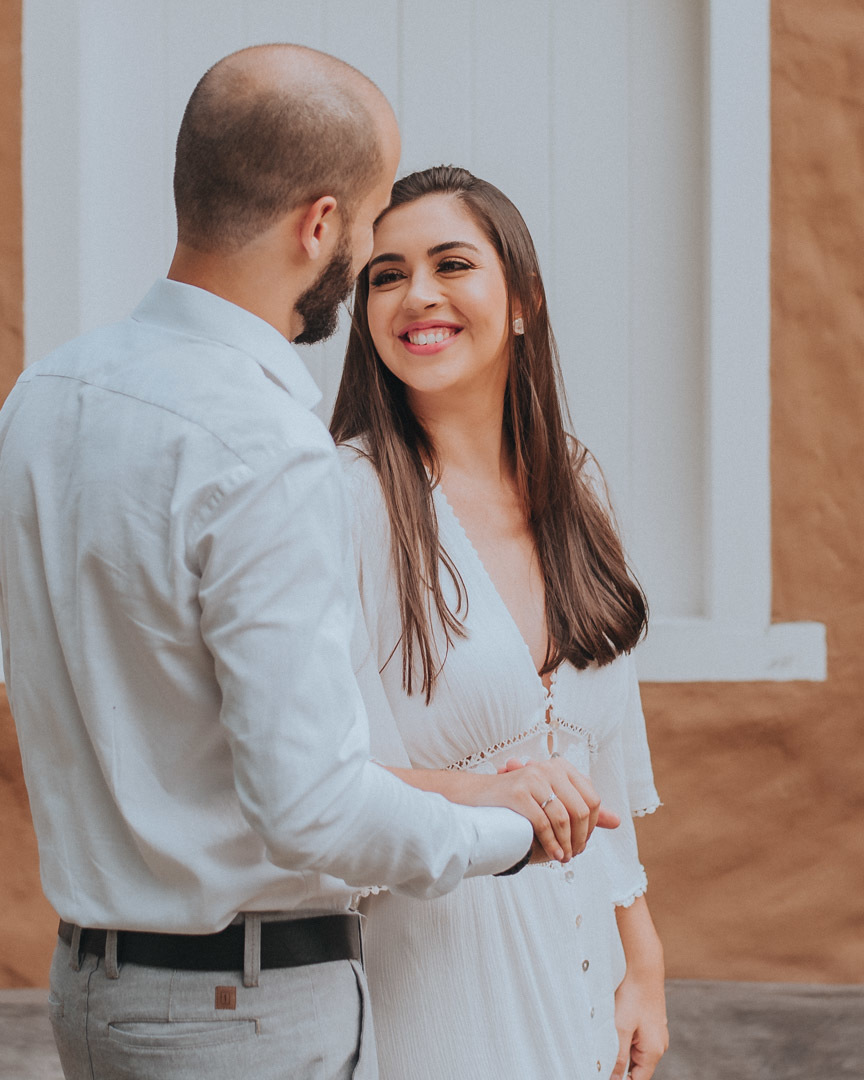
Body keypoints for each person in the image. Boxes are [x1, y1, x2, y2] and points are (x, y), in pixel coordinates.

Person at [0, 49, 612, 1080]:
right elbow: (314, 808)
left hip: (93, 995)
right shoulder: (266, 441)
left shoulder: (44, 398)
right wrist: (510, 829)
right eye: (375, 224)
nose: (378, 249)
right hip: (248, 1014)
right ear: (321, 226)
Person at [331, 165, 669, 1080]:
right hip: (441, 981)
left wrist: (642, 956)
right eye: (387, 274)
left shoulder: (573, 482)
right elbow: (322, 781)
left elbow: (598, 765)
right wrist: (475, 791)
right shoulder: (347, 500)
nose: (418, 295)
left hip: (589, 973)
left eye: (451, 264)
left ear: (522, 301)